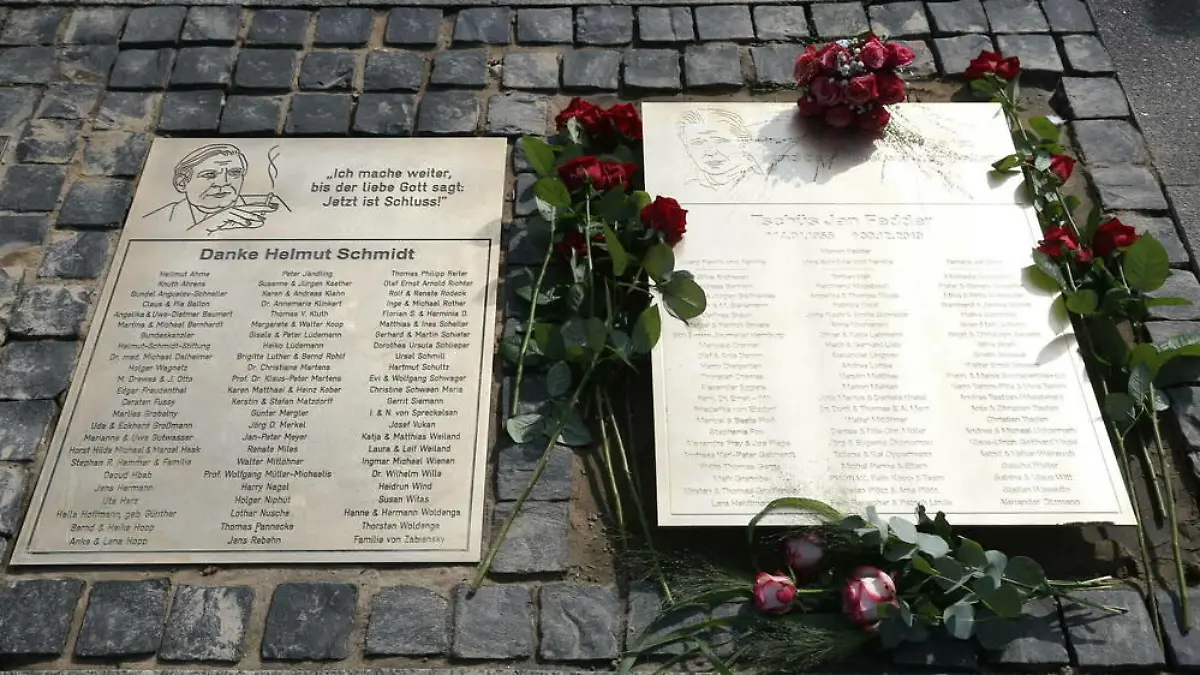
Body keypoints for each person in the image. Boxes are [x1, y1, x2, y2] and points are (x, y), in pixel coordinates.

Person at [143, 144, 282, 233]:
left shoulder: (276, 216)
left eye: (234, 173)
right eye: (210, 174)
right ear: (182, 183)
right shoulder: (153, 221)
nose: (223, 183)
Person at [676, 109, 766, 190]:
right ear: (687, 148)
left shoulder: (764, 183)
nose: (710, 152)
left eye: (720, 141)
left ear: (743, 142)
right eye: (698, 143)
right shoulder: (688, 188)